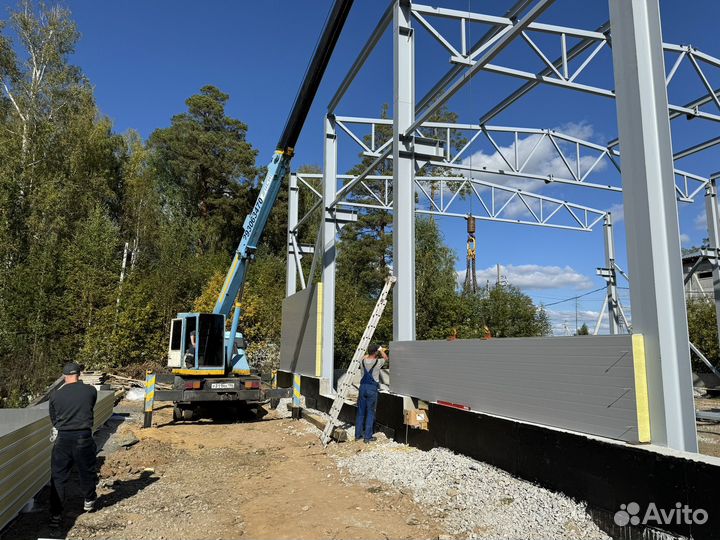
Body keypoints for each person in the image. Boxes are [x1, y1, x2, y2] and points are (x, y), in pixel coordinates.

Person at [48, 362, 98, 530]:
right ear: (79, 374)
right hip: (83, 437)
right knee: (87, 471)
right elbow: (90, 406)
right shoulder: (90, 391)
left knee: (59, 476)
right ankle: (89, 501)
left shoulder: (55, 395)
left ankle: (56, 514)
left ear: (64, 376)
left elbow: (54, 419)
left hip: (63, 439)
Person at [355, 343, 387, 443]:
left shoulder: (362, 361)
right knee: (370, 413)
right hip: (371, 389)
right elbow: (386, 358)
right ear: (376, 352)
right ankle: (368, 437)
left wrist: (374, 351)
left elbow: (364, 356)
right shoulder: (378, 362)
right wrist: (381, 350)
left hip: (362, 388)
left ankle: (358, 435)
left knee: (360, 413)